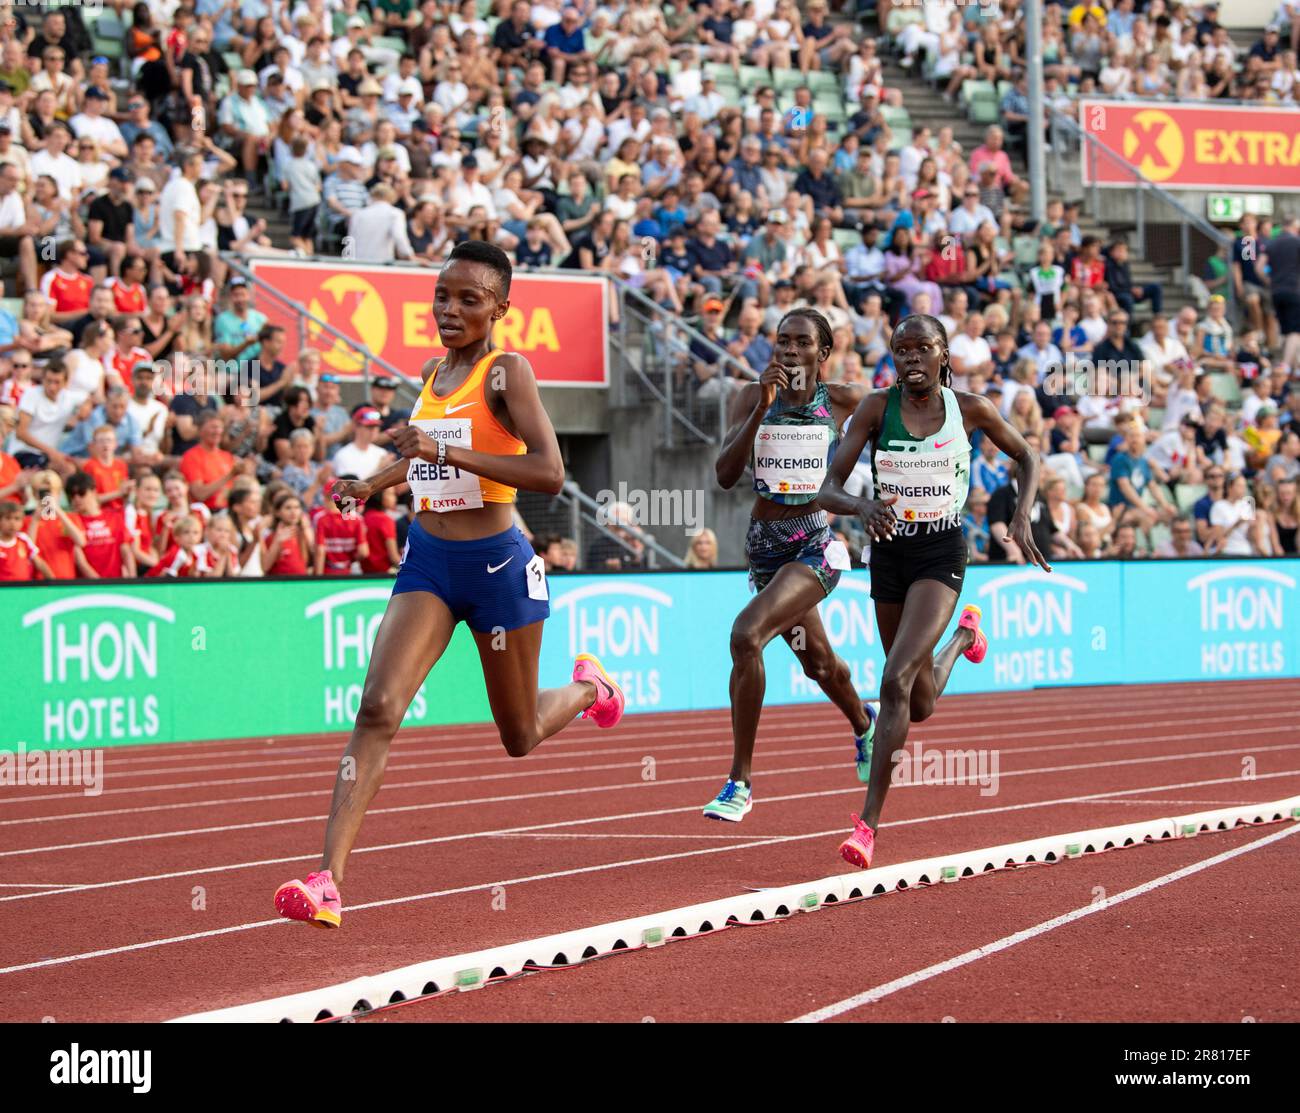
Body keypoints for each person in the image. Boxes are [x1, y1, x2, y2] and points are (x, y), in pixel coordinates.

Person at [273, 242, 625, 929]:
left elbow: (551, 473)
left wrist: (444, 449)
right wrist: (370, 483)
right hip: (429, 559)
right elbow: (425, 462)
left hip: (498, 565)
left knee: (518, 735)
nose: (451, 309)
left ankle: (590, 687)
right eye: (442, 296)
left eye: (469, 299)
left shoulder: (506, 373)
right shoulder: (434, 372)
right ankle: (328, 879)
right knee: (378, 706)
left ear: (501, 308)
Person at [818, 314, 1050, 868]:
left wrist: (1021, 516)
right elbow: (828, 488)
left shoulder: (971, 409)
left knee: (893, 680)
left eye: (923, 348)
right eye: (902, 350)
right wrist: (861, 506)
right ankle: (964, 637)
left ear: (944, 354)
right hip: (889, 554)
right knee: (917, 703)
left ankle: (867, 826)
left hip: (942, 553)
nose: (912, 358)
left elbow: (1027, 456)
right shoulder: (876, 408)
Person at [704, 307, 874, 822]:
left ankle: (740, 783)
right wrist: (762, 409)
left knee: (746, 635)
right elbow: (726, 475)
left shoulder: (845, 401)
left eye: (801, 342)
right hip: (763, 548)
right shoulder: (751, 396)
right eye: (782, 341)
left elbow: (896, 440)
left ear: (823, 353)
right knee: (817, 662)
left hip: (814, 547)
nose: (789, 351)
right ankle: (866, 724)